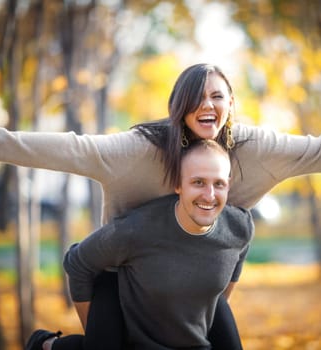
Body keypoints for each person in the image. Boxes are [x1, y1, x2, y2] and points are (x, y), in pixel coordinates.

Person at [0, 63, 321, 349]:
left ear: (231, 104)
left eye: (219, 97)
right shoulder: (139, 150)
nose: (209, 106)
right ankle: (45, 346)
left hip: (195, 273)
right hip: (123, 273)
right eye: (197, 97)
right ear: (178, 105)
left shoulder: (256, 150)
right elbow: (75, 148)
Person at [25, 139, 254, 350]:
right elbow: (77, 262)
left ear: (228, 185)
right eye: (198, 182)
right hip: (134, 339)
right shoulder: (136, 229)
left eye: (219, 184)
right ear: (178, 184)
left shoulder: (240, 227)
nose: (209, 194)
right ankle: (47, 345)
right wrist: (94, 335)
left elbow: (229, 275)